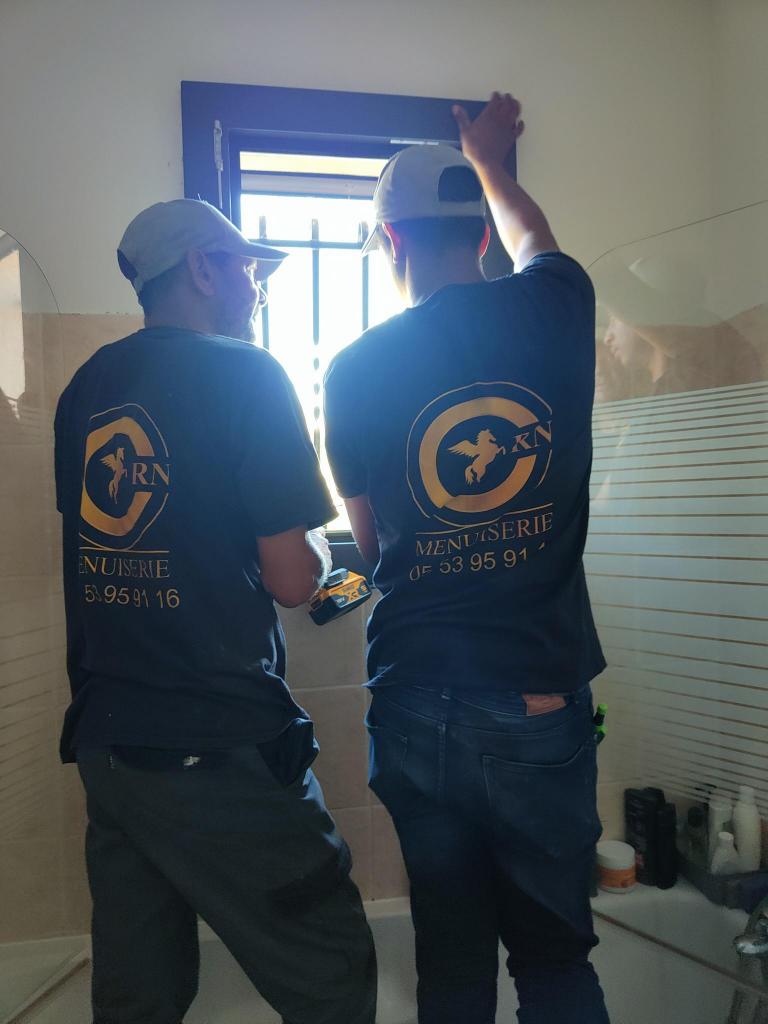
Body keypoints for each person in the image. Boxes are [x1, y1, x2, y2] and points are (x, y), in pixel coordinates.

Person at [324, 94, 610, 1024]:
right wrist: (490, 161)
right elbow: (537, 239)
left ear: (391, 242)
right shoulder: (556, 306)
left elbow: (373, 546)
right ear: (480, 237)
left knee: (451, 964)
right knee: (554, 964)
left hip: (411, 699)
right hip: (532, 698)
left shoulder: (353, 369)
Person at [54, 199, 376, 1024]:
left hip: (110, 742)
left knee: (140, 995)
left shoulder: (87, 387)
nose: (256, 286)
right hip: (213, 739)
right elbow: (293, 581)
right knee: (331, 969)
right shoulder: (245, 373)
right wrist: (320, 554)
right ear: (202, 268)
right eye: (246, 267)